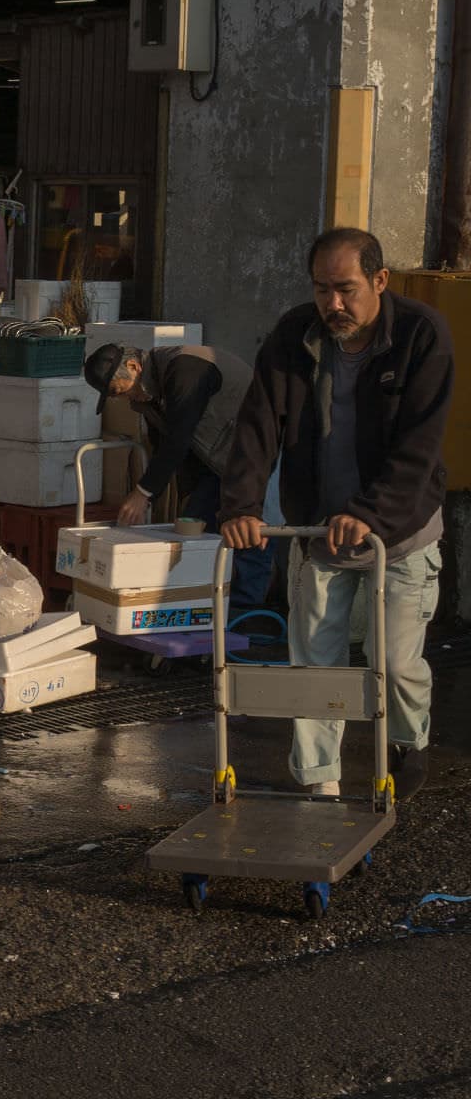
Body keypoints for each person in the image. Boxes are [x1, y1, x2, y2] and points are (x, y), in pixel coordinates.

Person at [220, 227, 453, 800]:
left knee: (393, 665)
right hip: (318, 530)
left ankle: (406, 739)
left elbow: (420, 446)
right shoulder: (293, 335)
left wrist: (371, 513)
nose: (334, 305)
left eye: (346, 289)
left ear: (379, 280)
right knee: (314, 672)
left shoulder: (421, 334)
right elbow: (257, 426)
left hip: (397, 535)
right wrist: (242, 506)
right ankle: (320, 783)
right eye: (323, 290)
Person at [83, 340, 271, 607]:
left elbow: (179, 438)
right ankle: (203, 605)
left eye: (118, 391)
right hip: (217, 460)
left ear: (134, 366)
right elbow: (164, 444)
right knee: (194, 526)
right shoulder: (146, 395)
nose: (121, 399)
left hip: (256, 455)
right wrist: (170, 493)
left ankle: (245, 616)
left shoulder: (186, 368)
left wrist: (143, 492)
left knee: (249, 529)